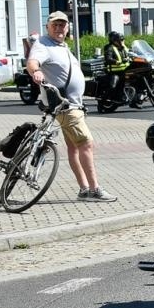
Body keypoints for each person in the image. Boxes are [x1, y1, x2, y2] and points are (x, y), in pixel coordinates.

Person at [25, 11, 116, 202]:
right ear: (47, 27)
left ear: (67, 27)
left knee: (74, 148)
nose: (59, 28)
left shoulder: (60, 45)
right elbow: (32, 62)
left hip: (72, 105)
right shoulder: (43, 44)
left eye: (62, 25)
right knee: (86, 143)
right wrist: (36, 72)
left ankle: (84, 189)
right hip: (65, 106)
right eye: (55, 25)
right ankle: (94, 189)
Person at [101, 30, 130, 102]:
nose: (121, 41)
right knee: (113, 85)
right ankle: (104, 99)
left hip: (125, 70)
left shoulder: (123, 47)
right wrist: (116, 62)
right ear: (114, 40)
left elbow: (131, 53)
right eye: (120, 40)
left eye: (122, 40)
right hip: (114, 72)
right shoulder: (109, 48)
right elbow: (108, 58)